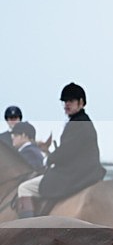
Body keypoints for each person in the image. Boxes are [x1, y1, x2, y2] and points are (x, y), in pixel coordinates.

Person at [15, 84, 105, 219]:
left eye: (71, 101)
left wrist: (47, 160)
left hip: (74, 174)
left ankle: (28, 228)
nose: (67, 104)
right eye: (65, 101)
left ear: (81, 102)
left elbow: (66, 152)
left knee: (24, 188)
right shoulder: (81, 121)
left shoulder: (78, 124)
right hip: (84, 170)